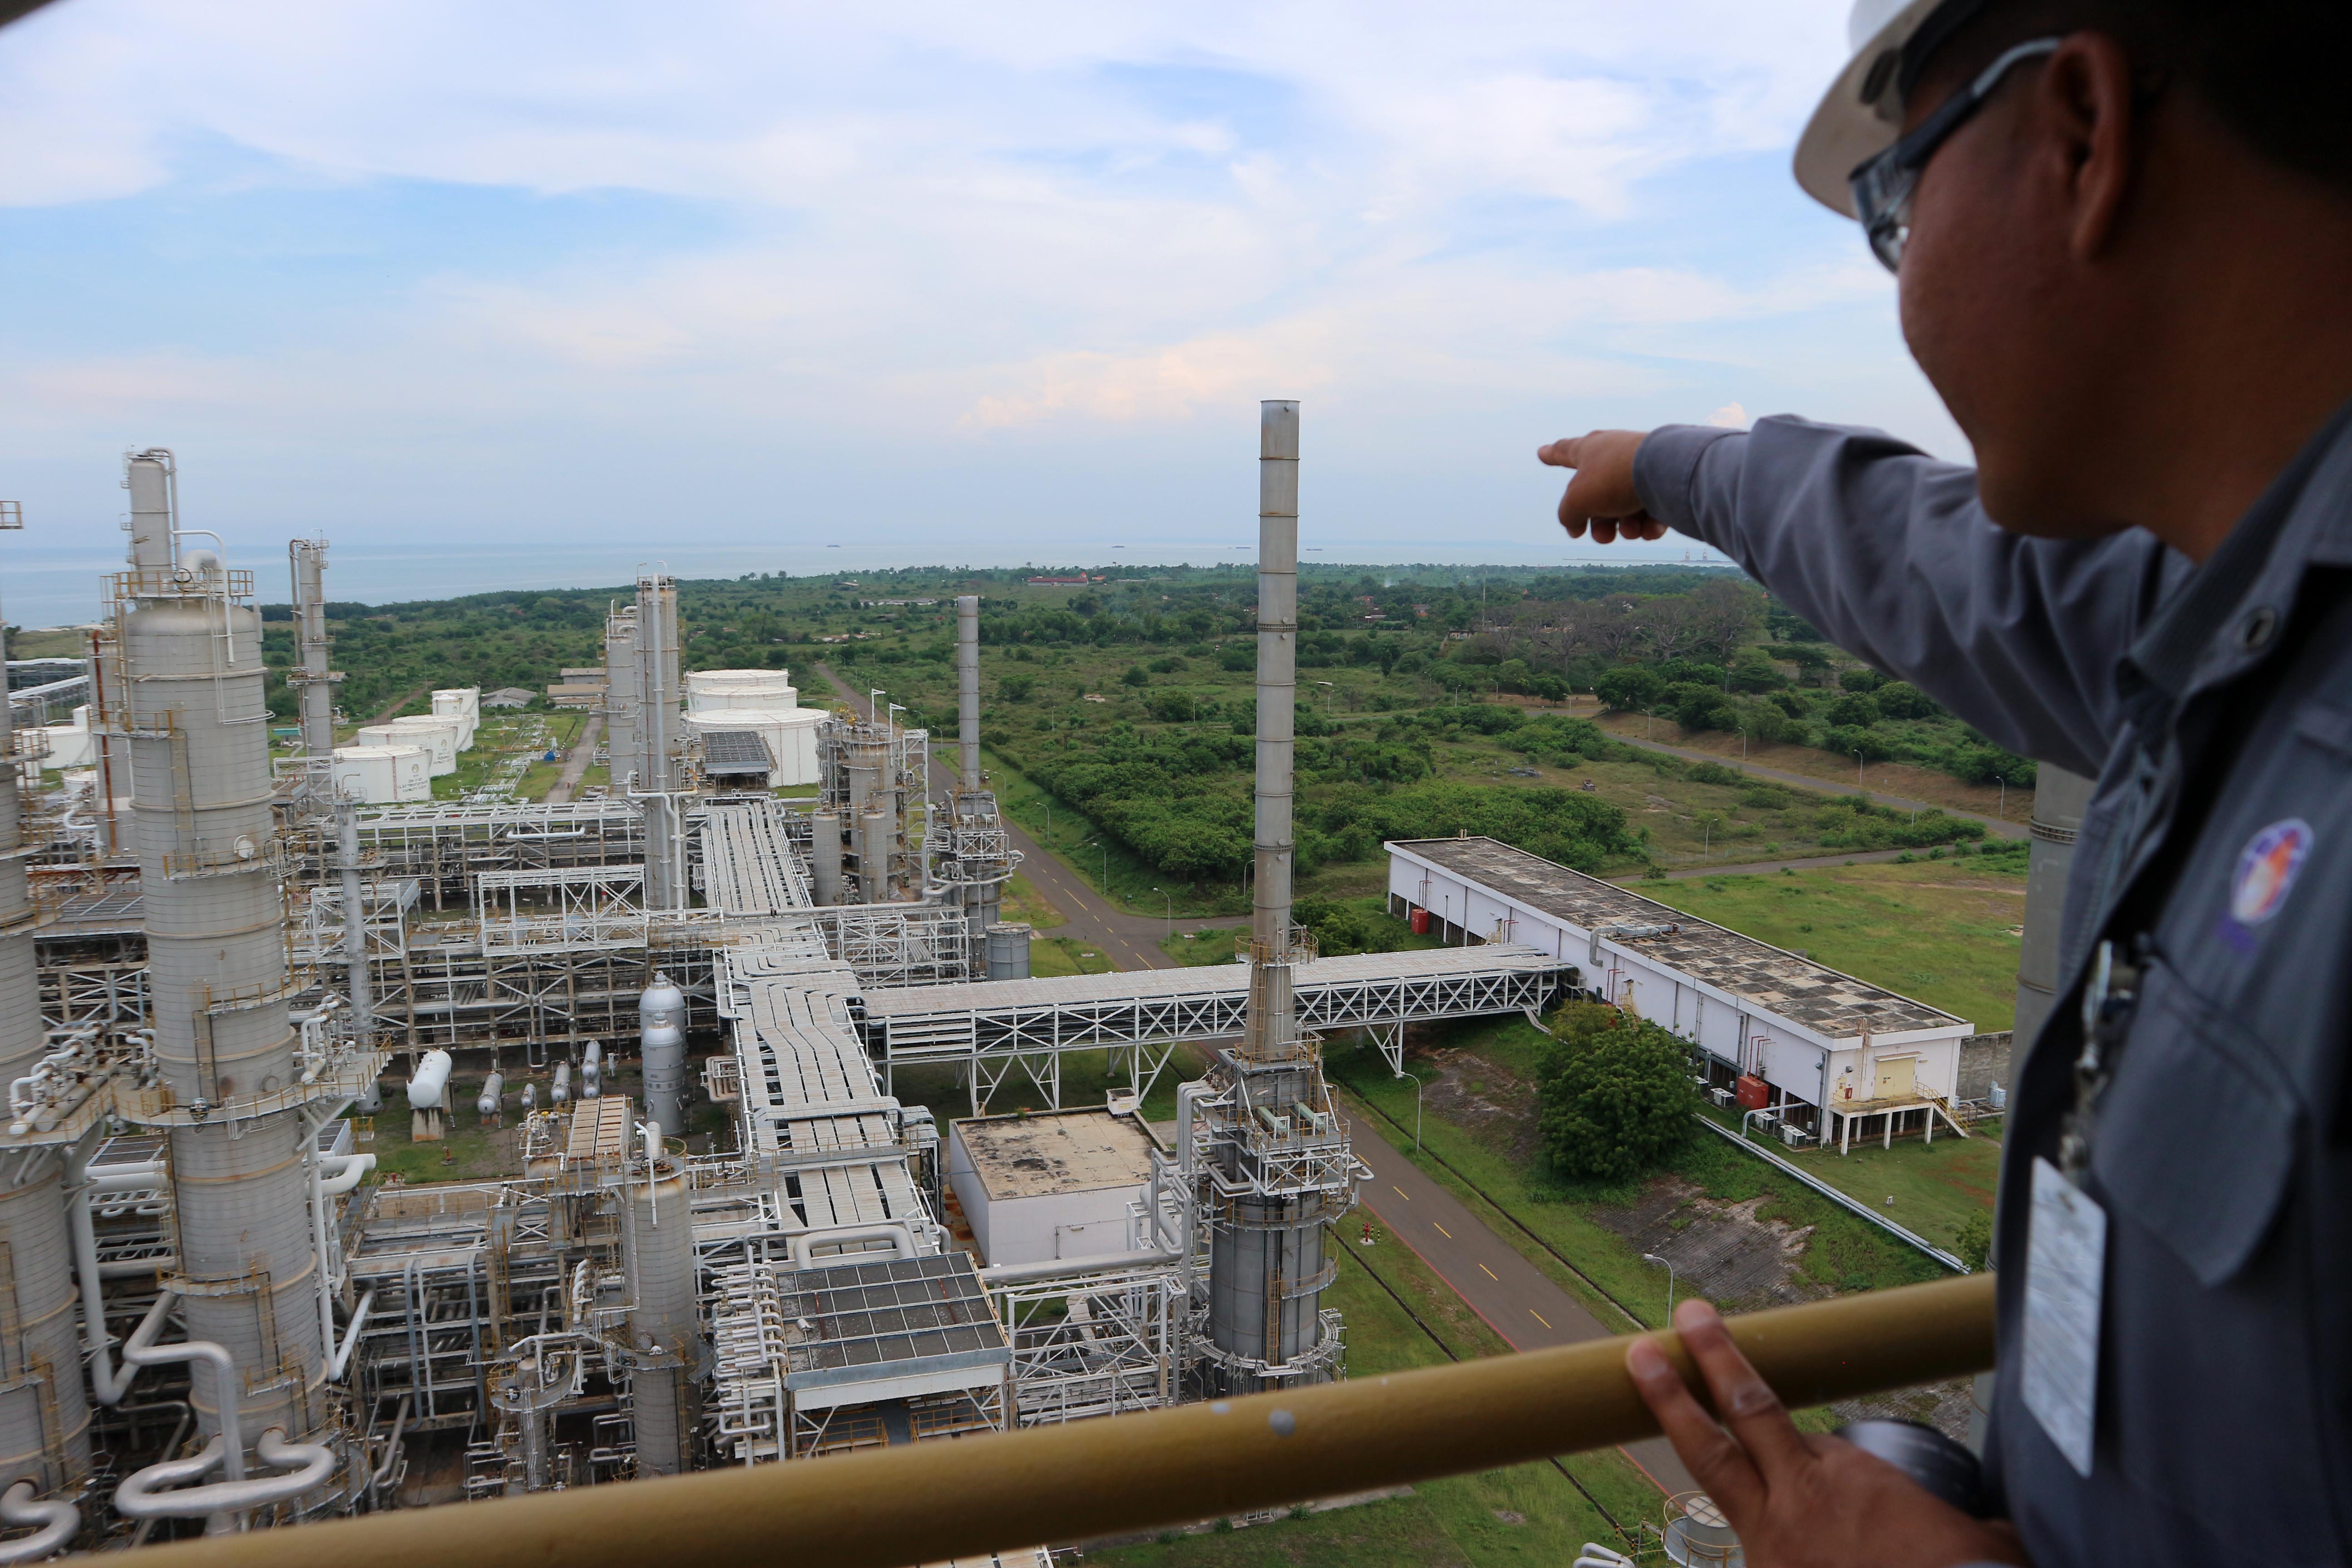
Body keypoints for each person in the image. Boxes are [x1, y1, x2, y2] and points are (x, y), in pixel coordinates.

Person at [1537, 0, 2352, 1563]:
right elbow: (1949, 567)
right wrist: (1681, 462)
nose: (1901, 282)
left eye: (1895, 207)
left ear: (2085, 136)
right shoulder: (2238, 618)